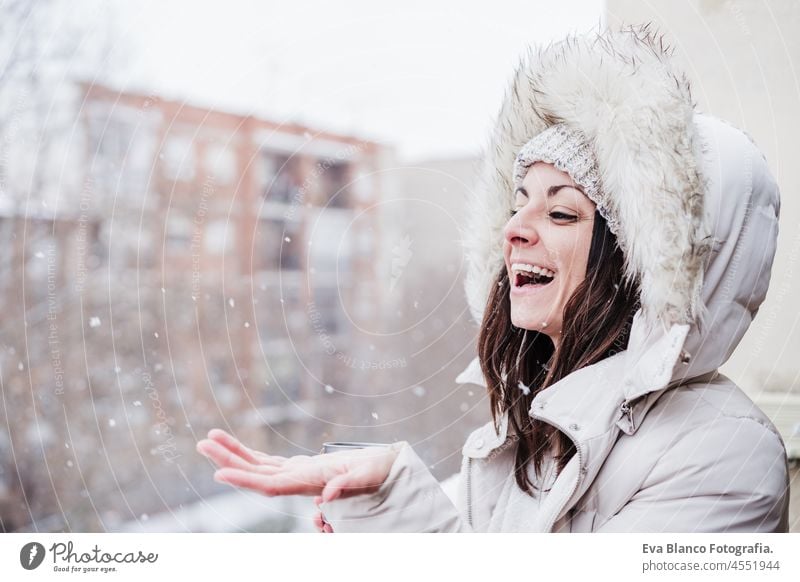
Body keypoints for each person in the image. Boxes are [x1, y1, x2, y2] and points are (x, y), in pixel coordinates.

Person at [196, 26, 790, 532]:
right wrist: (389, 499)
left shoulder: (724, 457)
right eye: (517, 203)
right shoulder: (522, 437)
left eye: (560, 212)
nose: (514, 231)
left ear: (642, 266)